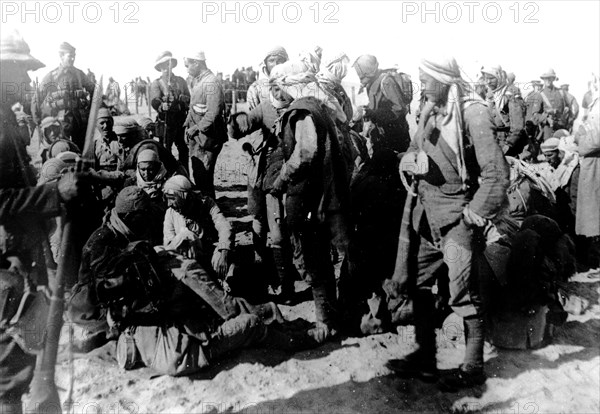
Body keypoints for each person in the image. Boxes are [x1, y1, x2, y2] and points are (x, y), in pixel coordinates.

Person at [386, 57, 509, 391]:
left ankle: (473, 368)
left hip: (457, 220)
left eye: (426, 78)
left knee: (463, 294)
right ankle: (425, 359)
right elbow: (415, 150)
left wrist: (475, 213)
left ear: (443, 78)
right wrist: (409, 160)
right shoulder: (431, 110)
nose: (421, 85)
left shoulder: (473, 113)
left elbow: (497, 174)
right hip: (426, 217)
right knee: (418, 283)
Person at [1, 29, 90, 414]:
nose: (25, 80)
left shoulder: (8, 122)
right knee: (7, 369)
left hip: (22, 257)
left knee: (18, 366)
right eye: (18, 72)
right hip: (5, 264)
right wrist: (55, 195)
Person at [270, 64, 351, 342]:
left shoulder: (303, 110)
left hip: (311, 197)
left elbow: (306, 152)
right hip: (328, 194)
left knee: (315, 259)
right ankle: (339, 314)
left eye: (279, 85)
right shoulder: (318, 104)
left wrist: (282, 176)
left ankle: (326, 323)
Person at [163, 176, 234, 280]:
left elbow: (224, 226)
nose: (169, 204)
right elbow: (169, 243)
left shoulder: (206, 204)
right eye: (167, 199)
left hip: (207, 252)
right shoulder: (170, 213)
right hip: (185, 259)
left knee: (230, 269)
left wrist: (224, 252)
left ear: (185, 196)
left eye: (172, 199)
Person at [32, 41, 96, 150]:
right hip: (59, 122)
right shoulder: (52, 76)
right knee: (61, 150)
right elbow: (37, 98)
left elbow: (94, 91)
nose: (73, 59)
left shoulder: (79, 74)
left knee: (81, 149)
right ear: (61, 56)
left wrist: (89, 109)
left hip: (79, 120)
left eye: (74, 56)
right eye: (70, 56)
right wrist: (37, 119)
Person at [183, 51, 228, 199]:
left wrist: (196, 127)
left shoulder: (211, 82)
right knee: (200, 174)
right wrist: (187, 126)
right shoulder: (198, 81)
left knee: (204, 177)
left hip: (209, 139)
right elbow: (193, 107)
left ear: (197, 63)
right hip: (199, 138)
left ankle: (210, 212)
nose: (187, 69)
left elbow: (214, 112)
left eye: (188, 65)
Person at [352, 55, 411, 154]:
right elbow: (378, 104)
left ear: (367, 71)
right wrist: (366, 110)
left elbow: (399, 109)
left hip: (395, 136)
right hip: (381, 135)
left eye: (360, 72)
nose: (359, 76)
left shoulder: (386, 81)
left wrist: (374, 113)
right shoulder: (372, 82)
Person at [574, 75, 600, 270]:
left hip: (595, 162)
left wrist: (581, 141)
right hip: (593, 163)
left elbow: (596, 139)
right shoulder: (593, 102)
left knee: (594, 211)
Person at [150, 51, 191, 167]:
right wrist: (161, 106)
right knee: (165, 149)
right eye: (163, 66)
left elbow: (189, 99)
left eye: (168, 64)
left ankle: (185, 173)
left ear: (172, 65)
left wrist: (182, 100)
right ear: (160, 67)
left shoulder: (181, 81)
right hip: (166, 122)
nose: (166, 68)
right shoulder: (157, 83)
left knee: (183, 148)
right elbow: (154, 100)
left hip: (180, 120)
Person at [480, 64, 527, 156]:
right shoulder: (490, 96)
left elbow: (518, 126)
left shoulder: (510, 95)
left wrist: (509, 144)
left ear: (499, 77)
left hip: (509, 144)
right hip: (495, 142)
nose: (488, 82)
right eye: (486, 79)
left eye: (491, 78)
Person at [528, 69, 567, 141]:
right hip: (548, 129)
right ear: (543, 79)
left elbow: (570, 107)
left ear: (553, 79)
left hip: (561, 126)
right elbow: (535, 114)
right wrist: (546, 119)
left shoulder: (561, 92)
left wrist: (568, 120)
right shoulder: (540, 95)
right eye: (546, 78)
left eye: (550, 78)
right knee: (549, 149)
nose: (548, 80)